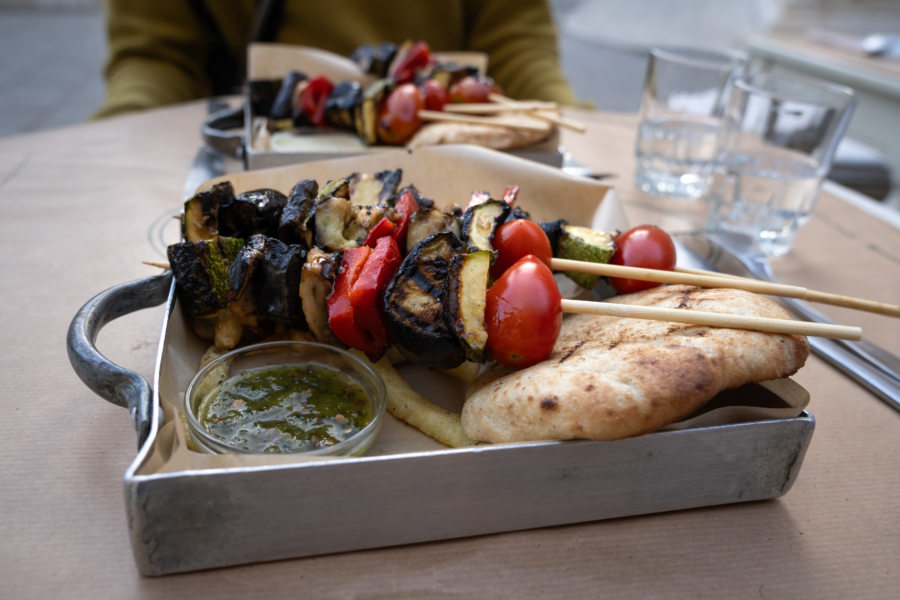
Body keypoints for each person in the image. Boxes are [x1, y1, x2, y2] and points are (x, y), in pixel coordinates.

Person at [93, 0, 579, 119]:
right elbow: (156, 56)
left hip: (448, 135)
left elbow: (518, 42)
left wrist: (562, 114)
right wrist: (124, 130)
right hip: (264, 133)